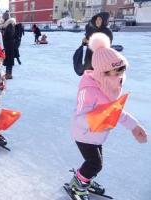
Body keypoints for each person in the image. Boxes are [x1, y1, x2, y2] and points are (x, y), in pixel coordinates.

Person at [68, 33, 148, 200]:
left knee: (96, 164)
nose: (120, 75)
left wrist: (134, 126)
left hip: (97, 135)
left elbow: (115, 111)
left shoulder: (111, 85)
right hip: (84, 135)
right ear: (104, 71)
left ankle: (85, 179)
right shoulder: (89, 89)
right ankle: (78, 184)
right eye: (117, 70)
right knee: (95, 164)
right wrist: (95, 119)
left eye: (122, 70)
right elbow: (78, 117)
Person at [1, 10, 16, 79]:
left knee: (9, 60)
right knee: (8, 60)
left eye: (4, 17)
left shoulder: (9, 24)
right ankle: (8, 73)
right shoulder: (7, 24)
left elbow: (9, 35)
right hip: (8, 44)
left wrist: (3, 34)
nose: (3, 18)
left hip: (9, 45)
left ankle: (9, 74)